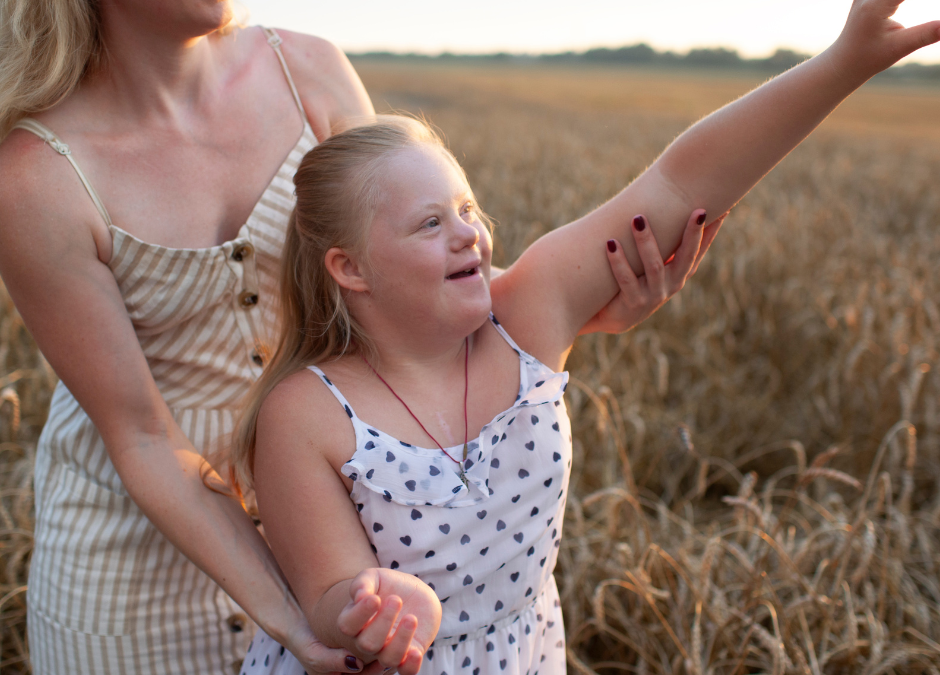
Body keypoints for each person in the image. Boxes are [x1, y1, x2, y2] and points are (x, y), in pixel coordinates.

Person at [228, 2, 940, 674]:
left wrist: (846, 61)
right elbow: (324, 602)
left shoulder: (524, 317)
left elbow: (676, 181)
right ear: (350, 267)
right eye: (429, 223)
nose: (469, 233)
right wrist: (376, 606)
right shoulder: (305, 411)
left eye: (466, 207)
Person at [0, 1, 713, 672]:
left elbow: (402, 265)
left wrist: (589, 306)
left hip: (343, 549)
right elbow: (144, 439)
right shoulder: (36, 175)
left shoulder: (306, 72)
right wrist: (294, 619)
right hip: (132, 581)